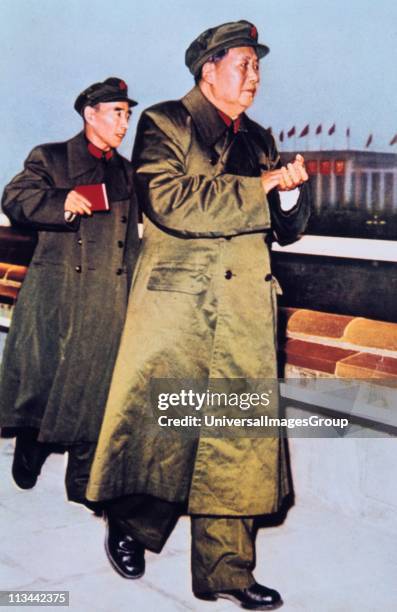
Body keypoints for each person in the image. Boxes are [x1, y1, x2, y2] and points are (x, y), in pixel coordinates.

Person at [87, 21, 310, 610]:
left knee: (236, 443)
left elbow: (283, 229)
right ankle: (131, 525)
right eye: (244, 64)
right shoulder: (165, 123)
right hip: (178, 309)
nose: (255, 75)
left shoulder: (260, 137)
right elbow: (172, 200)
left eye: (258, 65)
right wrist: (263, 184)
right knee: (165, 433)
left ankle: (227, 571)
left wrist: (288, 194)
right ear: (208, 70)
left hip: (242, 314)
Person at [0, 77, 140, 510]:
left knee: (97, 390)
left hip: (109, 298)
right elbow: (15, 198)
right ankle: (31, 446)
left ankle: (82, 480)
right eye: (116, 112)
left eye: (127, 114)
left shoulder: (127, 171)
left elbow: (134, 240)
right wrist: (62, 201)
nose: (124, 123)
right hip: (59, 293)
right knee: (45, 388)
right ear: (90, 114)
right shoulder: (51, 157)